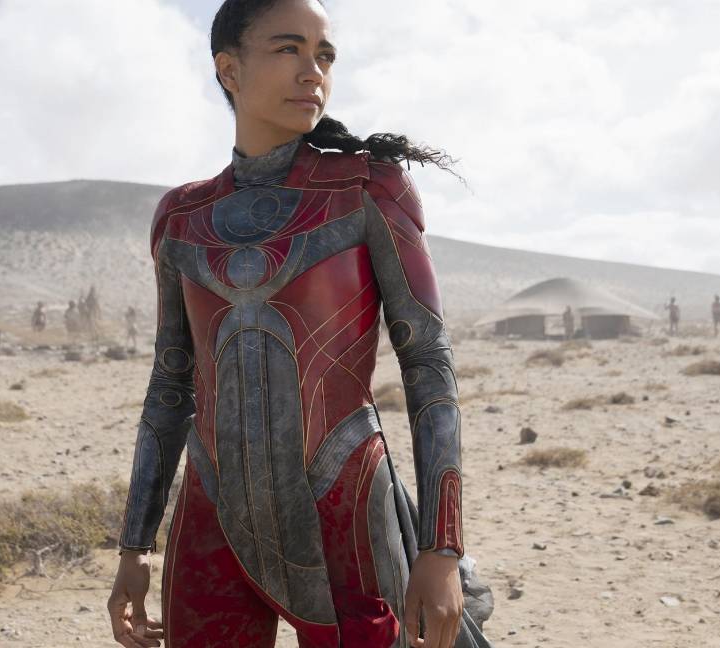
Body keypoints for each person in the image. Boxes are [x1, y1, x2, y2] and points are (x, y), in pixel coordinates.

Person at [107, 2, 486, 647]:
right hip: (211, 520)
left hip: (348, 516)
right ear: (228, 69)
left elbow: (428, 363)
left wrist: (441, 549)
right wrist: (134, 547)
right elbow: (170, 383)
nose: (313, 71)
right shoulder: (181, 216)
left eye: (325, 55)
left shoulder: (368, 188)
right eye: (289, 49)